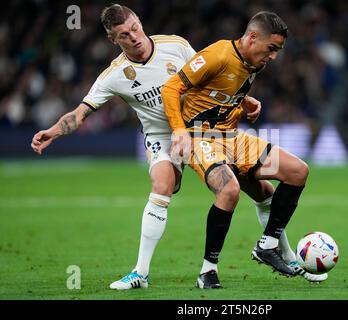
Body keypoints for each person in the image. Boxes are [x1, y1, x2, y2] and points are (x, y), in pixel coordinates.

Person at [30, 4, 309, 291]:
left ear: (140, 21)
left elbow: (208, 75)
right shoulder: (114, 75)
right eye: (124, 35)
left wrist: (243, 99)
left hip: (204, 130)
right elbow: (80, 113)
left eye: (135, 27)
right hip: (164, 136)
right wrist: (53, 131)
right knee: (163, 185)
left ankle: (280, 251)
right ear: (114, 40)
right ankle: (141, 272)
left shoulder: (175, 46)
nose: (134, 36)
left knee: (263, 190)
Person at [161, 11, 328, 289]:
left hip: (233, 138)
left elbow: (220, 91)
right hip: (199, 137)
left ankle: (269, 245)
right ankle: (208, 271)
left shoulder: (254, 63)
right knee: (229, 191)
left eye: (278, 50)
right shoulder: (217, 54)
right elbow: (171, 87)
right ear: (252, 37)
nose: (273, 56)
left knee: (296, 172)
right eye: (271, 48)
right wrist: (179, 131)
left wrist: (244, 102)